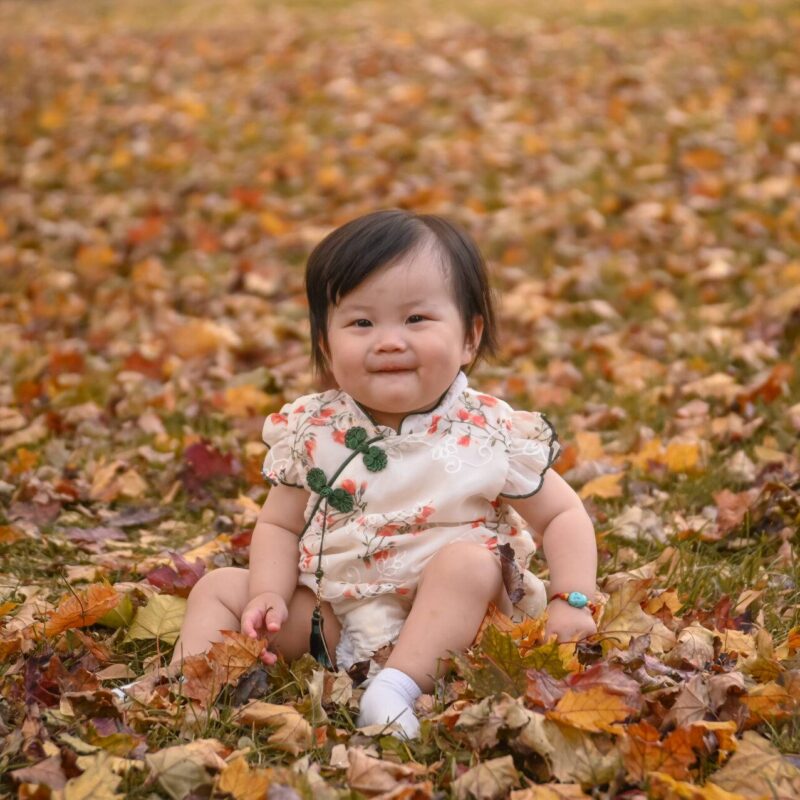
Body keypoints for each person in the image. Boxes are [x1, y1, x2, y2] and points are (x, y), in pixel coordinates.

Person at [172, 209, 598, 738]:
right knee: (218, 587)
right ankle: (187, 685)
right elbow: (280, 526)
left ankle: (397, 687)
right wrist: (268, 593)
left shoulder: (487, 431)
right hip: (336, 619)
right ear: (327, 346)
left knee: (469, 565)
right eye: (362, 323)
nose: (389, 340)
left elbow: (561, 514)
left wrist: (571, 598)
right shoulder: (314, 428)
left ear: (469, 337)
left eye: (416, 320)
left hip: (456, 623)